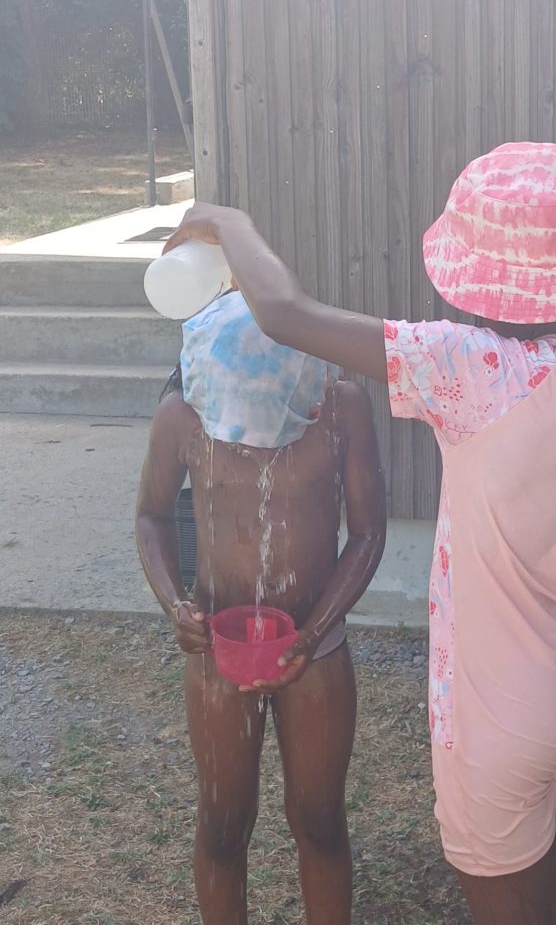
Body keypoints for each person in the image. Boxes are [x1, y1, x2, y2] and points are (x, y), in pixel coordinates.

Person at [164, 142, 556, 925]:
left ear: (499, 288)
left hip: (498, 707)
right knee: (555, 902)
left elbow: (285, 316)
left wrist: (224, 219)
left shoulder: (480, 370)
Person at [135, 290, 386, 925]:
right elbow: (151, 515)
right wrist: (175, 604)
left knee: (320, 818)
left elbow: (367, 533)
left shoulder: (341, 408)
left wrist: (316, 629)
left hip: (316, 651)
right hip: (217, 651)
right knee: (222, 822)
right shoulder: (182, 416)